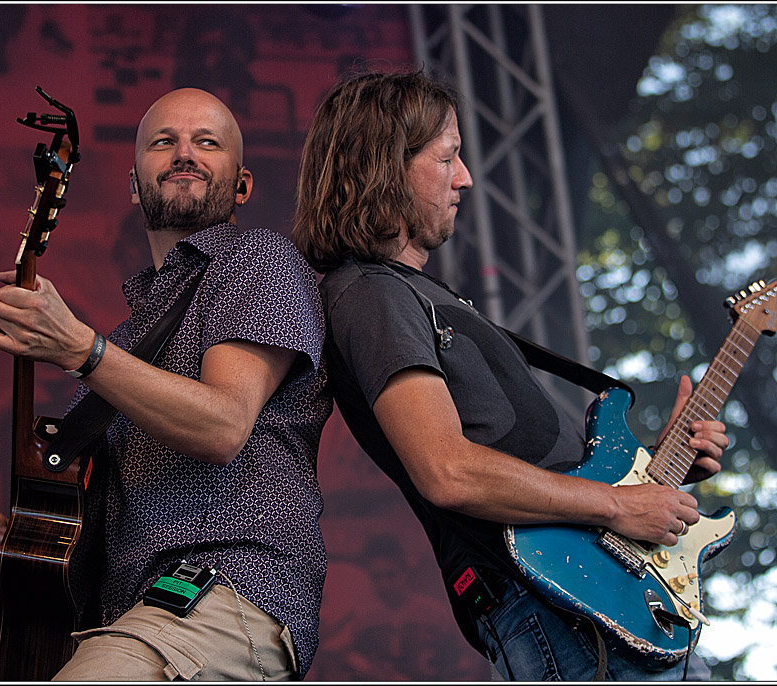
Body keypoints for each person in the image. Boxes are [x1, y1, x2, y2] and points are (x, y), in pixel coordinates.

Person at [291, 69, 728, 681]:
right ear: (386, 168)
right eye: (447, 158)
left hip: (590, 605)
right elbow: (447, 469)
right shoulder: (370, 293)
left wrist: (655, 472)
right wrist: (614, 505)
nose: (465, 177)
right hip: (552, 611)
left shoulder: (413, 294)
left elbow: (529, 464)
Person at [0, 88, 330, 681]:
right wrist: (23, 537)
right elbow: (94, 518)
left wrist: (82, 349)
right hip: (134, 616)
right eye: (164, 142)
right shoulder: (128, 339)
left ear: (243, 185)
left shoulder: (260, 262)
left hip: (228, 591)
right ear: (133, 184)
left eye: (207, 142)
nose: (184, 153)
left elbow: (223, 423)